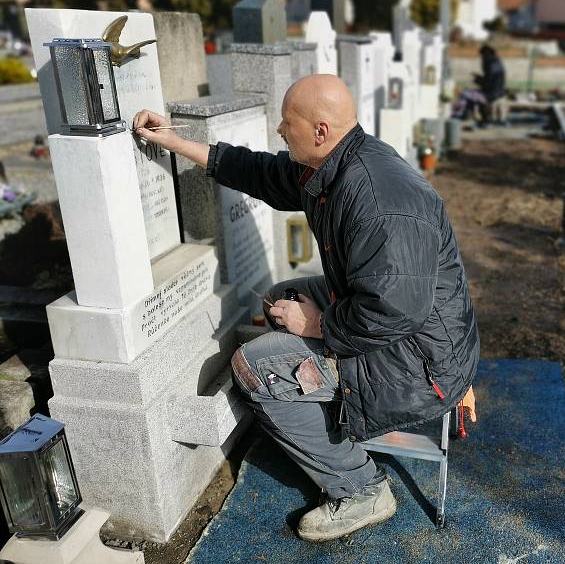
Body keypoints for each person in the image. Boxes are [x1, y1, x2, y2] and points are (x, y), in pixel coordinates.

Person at [133, 74, 479, 542]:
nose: (279, 129)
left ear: (319, 130)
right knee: (282, 297)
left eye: (287, 121)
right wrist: (176, 142)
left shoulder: (379, 202)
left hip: (417, 362)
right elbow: (264, 174)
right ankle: (326, 399)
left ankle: (362, 488)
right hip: (414, 333)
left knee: (253, 365)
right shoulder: (337, 163)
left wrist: (317, 324)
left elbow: (395, 312)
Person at [451, 44, 506, 124]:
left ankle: (456, 117)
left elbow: (487, 84)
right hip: (496, 93)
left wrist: (477, 79)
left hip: (490, 95)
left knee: (464, 94)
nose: (481, 58)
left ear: (485, 55)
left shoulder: (491, 65)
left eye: (482, 56)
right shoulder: (496, 63)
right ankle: (466, 116)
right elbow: (489, 81)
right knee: (468, 95)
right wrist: (478, 78)